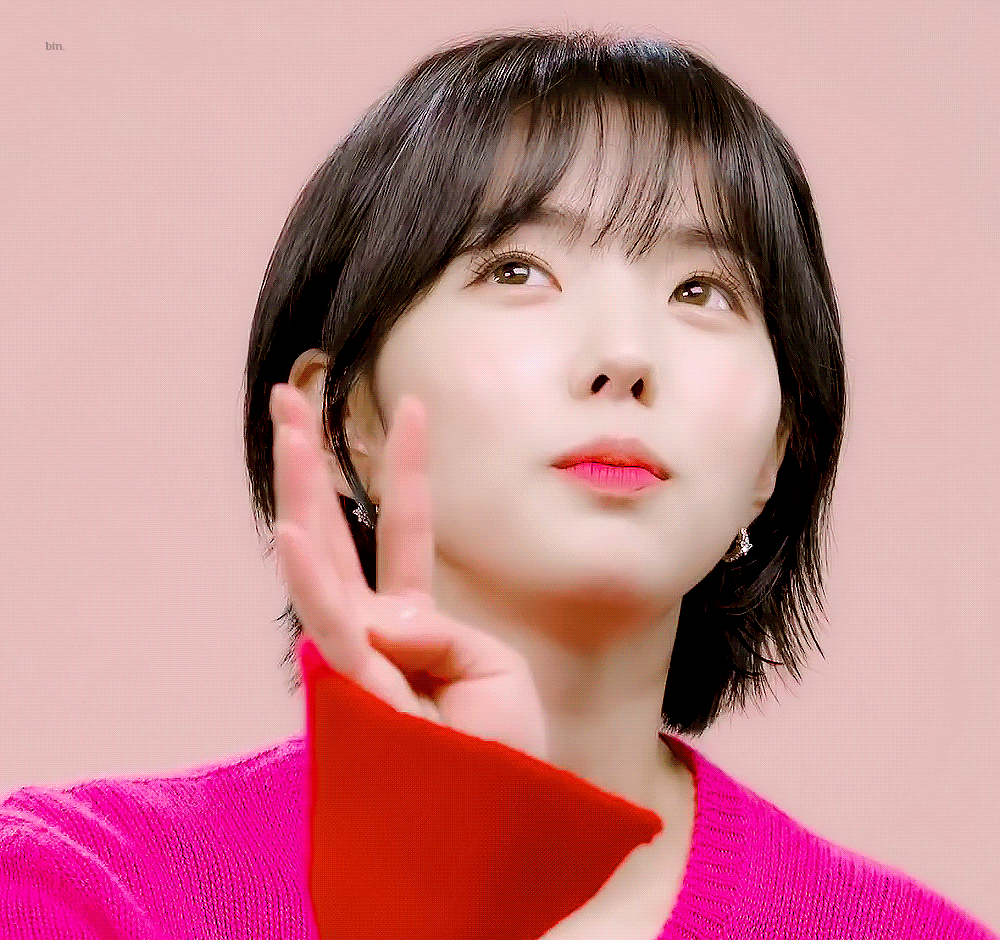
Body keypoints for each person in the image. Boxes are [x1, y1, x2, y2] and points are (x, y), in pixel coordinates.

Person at [1, 27, 995, 940]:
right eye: (516, 269)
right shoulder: (74, 891)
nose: (623, 356)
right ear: (345, 419)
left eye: (701, 290)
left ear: (771, 459)